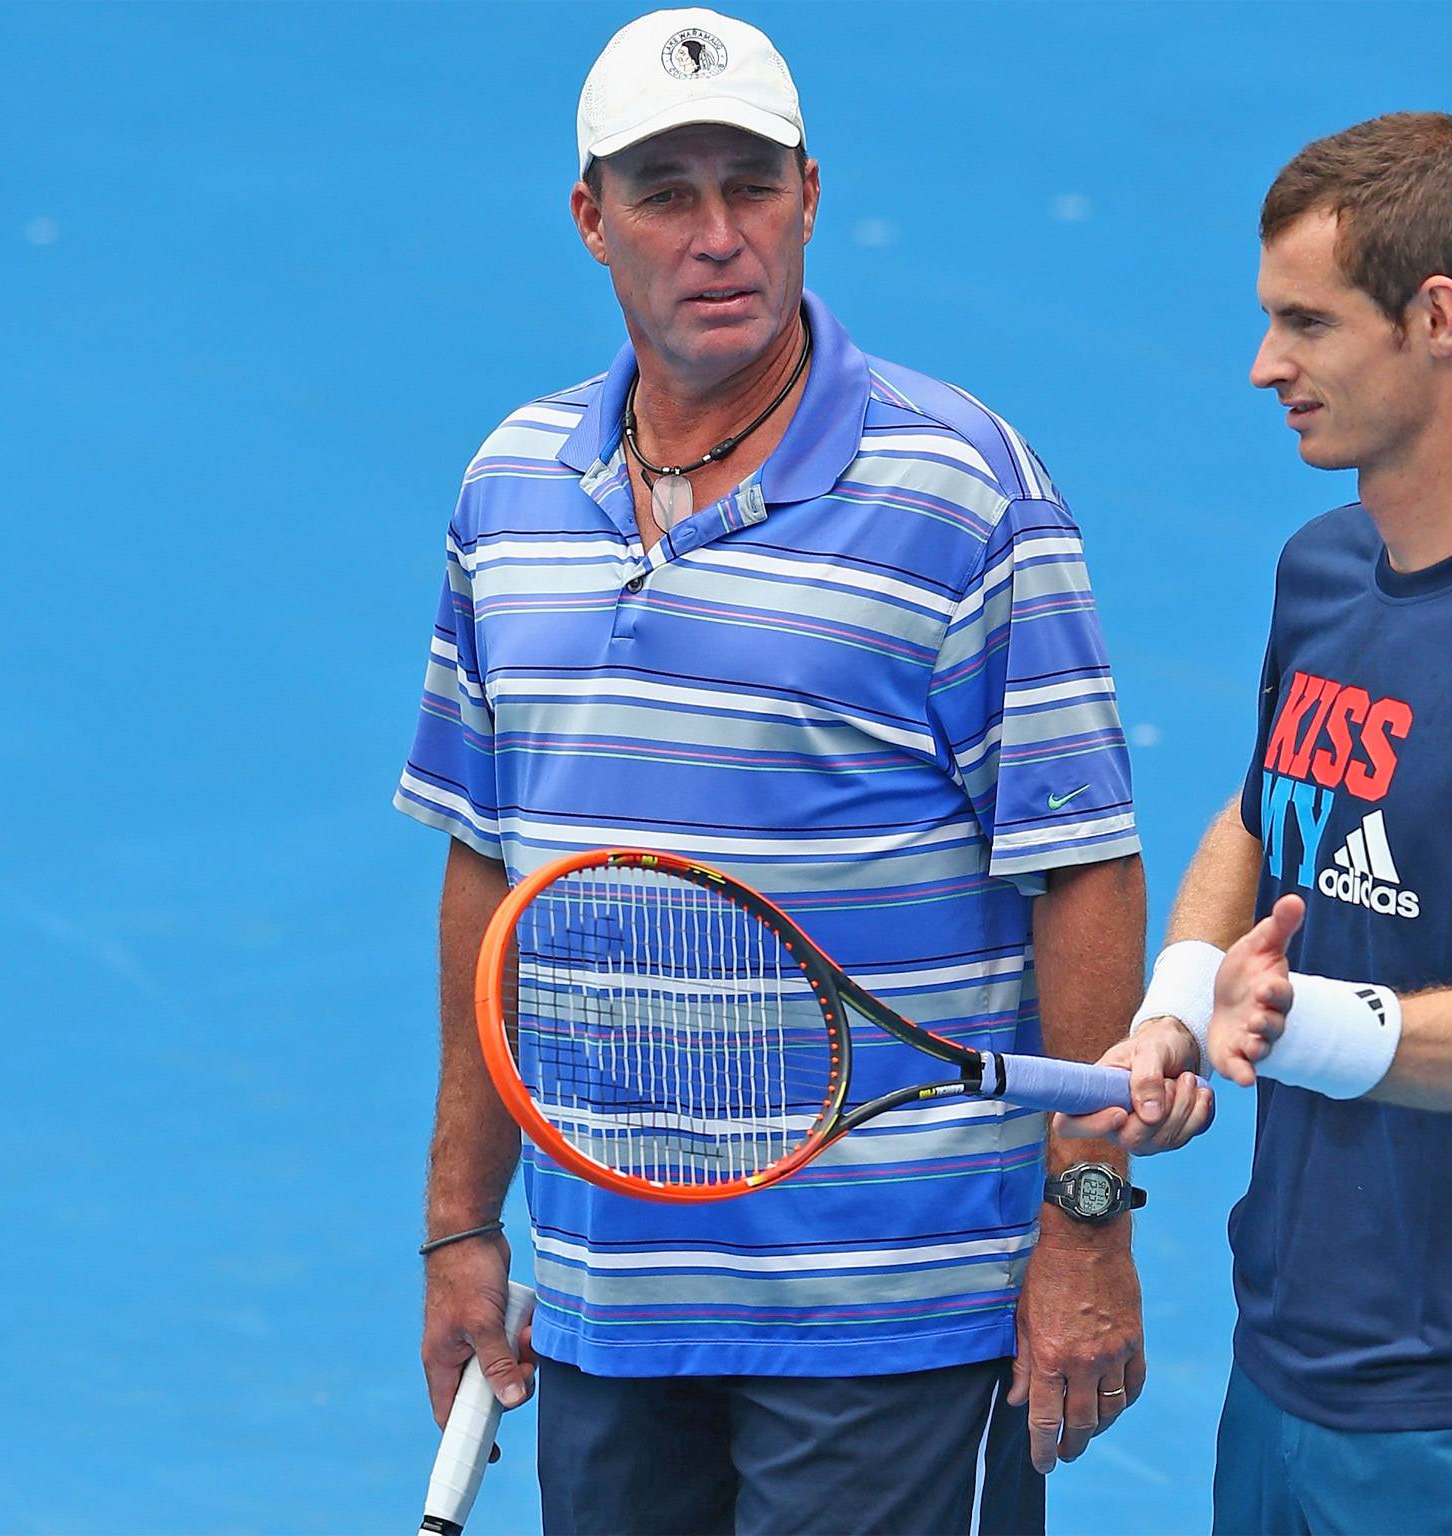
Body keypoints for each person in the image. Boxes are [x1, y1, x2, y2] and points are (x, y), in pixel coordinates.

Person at [395, 11, 1149, 1532]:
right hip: (610, 1290)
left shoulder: (965, 490)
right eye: (667, 193)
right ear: (592, 219)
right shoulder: (508, 491)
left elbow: (1085, 869)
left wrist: (1086, 1224)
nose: (717, 236)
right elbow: (491, 873)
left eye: (751, 185)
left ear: (812, 194)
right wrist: (458, 1224)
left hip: (896, 1311)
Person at [1060, 112, 1452, 1535]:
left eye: (1305, 323)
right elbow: (1261, 809)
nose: (1263, 365)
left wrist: (1298, 1026)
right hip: (1290, 1368)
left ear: (1438, 320)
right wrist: (1173, 1009)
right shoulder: (1325, 571)